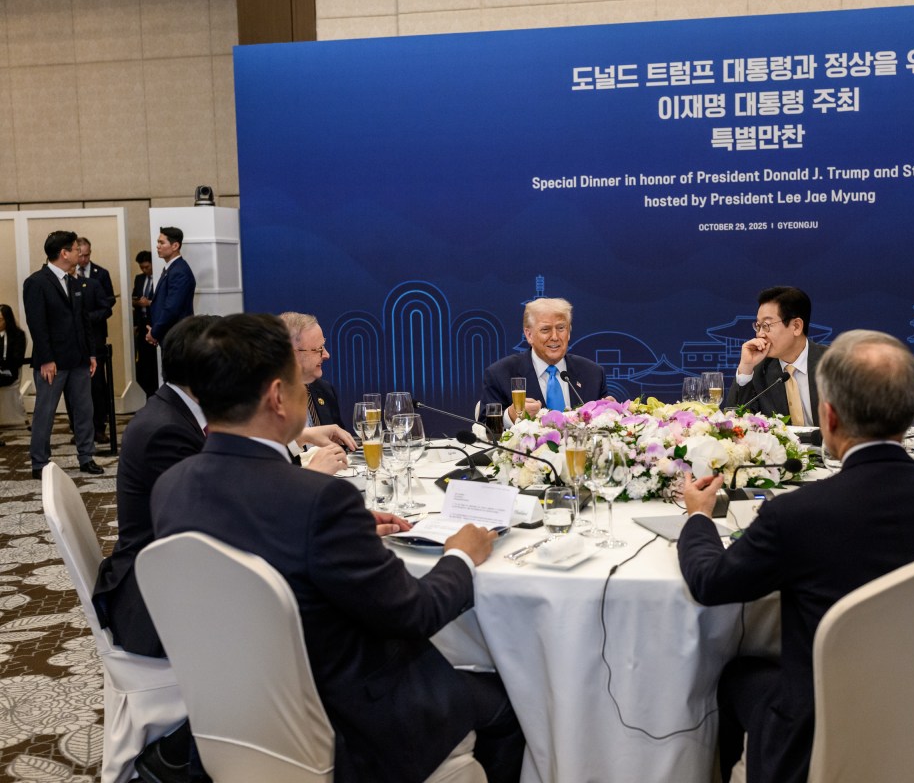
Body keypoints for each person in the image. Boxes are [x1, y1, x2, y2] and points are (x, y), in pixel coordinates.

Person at [151, 313, 524, 783]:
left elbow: (263, 543)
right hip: (351, 726)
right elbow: (415, 614)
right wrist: (461, 555)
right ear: (277, 396)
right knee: (514, 702)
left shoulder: (171, 487)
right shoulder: (319, 500)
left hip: (234, 719)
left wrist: (346, 535)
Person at [678, 330, 914, 783]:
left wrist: (699, 518)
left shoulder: (796, 515)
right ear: (909, 414)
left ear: (829, 417)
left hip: (823, 746)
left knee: (737, 675)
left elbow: (711, 583)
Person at [94, 315, 220, 659]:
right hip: (157, 603)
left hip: (171, 574)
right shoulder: (166, 431)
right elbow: (210, 521)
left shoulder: (177, 411)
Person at [24, 231, 102, 479]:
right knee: (45, 413)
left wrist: (91, 354)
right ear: (64, 253)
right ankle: (39, 462)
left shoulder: (75, 282)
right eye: (75, 249)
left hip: (79, 359)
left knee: (84, 411)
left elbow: (84, 321)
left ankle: (86, 457)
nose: (80, 253)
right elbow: (37, 324)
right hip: (52, 362)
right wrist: (47, 359)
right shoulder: (36, 282)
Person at [480, 297, 608, 425]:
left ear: (568, 332)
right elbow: (485, 427)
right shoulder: (500, 374)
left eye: (561, 328)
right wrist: (511, 416)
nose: (555, 337)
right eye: (545, 329)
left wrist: (611, 413)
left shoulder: (593, 374)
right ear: (529, 335)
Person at [723, 286, 826, 425]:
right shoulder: (760, 370)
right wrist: (746, 368)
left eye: (766, 325)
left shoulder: (835, 364)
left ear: (796, 326)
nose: (760, 334)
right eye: (758, 326)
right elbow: (735, 422)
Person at [76, 237, 117, 442]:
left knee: (97, 383)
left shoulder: (100, 274)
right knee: (76, 384)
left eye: (87, 255)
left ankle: (99, 426)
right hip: (75, 338)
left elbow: (108, 304)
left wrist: (88, 318)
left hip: (96, 335)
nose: (84, 259)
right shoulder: (68, 276)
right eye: (81, 255)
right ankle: (79, 428)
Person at [279, 311, 347, 430]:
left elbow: (340, 439)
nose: (326, 355)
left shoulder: (324, 390)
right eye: (318, 349)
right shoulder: (262, 399)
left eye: (323, 346)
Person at [147, 227, 195, 348]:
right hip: (170, 335)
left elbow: (172, 309)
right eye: (158, 242)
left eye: (162, 243)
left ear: (175, 246)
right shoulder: (171, 268)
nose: (158, 246)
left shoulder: (179, 271)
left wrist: (155, 332)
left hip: (177, 337)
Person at [131, 250, 160, 397]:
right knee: (143, 360)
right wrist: (138, 302)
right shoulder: (139, 278)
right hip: (142, 323)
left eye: (147, 267)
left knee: (154, 359)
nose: (144, 270)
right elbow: (133, 299)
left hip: (154, 322)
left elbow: (162, 301)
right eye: (142, 267)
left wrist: (149, 302)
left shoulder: (160, 277)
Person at [0, 303, 27, 389]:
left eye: (0, 319)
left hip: (7, 372)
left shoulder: (17, 335)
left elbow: (17, 359)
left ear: (7, 320)